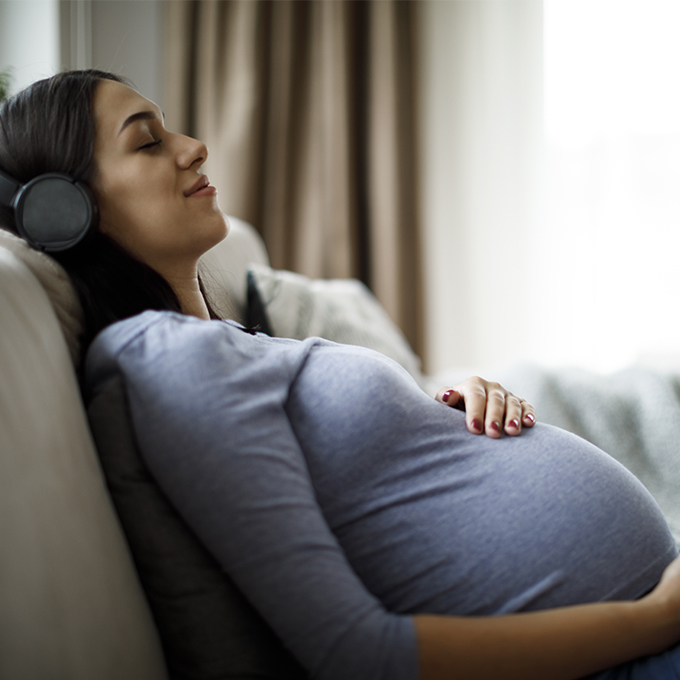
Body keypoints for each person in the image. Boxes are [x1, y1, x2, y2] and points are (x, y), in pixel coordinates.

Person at [1, 70, 680, 680]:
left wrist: (445, 410)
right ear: (66, 209)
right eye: (147, 143)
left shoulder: (228, 343)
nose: (194, 145)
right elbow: (361, 654)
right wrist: (657, 616)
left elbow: (368, 480)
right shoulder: (169, 360)